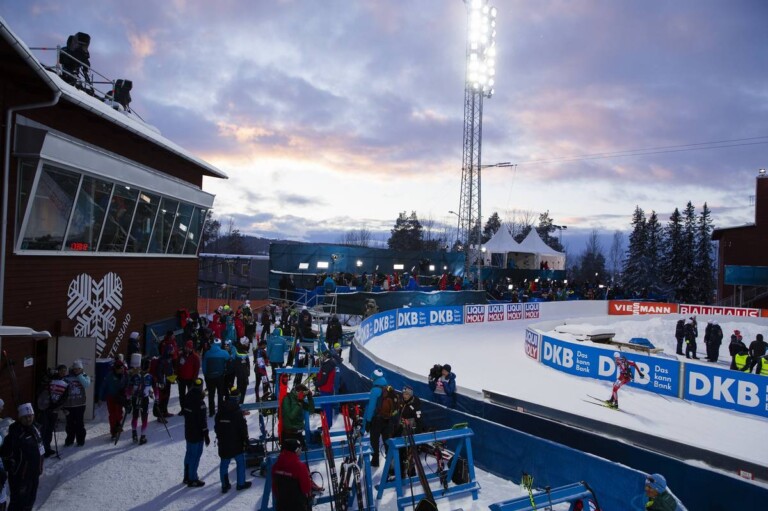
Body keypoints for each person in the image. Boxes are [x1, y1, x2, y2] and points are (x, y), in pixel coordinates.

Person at [0, 403, 44, 510]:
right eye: (25, 417)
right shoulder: (15, 433)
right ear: (20, 418)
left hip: (34, 473)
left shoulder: (36, 428)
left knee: (30, 500)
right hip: (21, 476)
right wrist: (12, 467)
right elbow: (4, 452)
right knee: (18, 503)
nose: (28, 419)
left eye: (30, 416)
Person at [214, 390, 251, 493]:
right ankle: (241, 483)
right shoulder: (237, 412)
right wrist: (246, 441)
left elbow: (217, 426)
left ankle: (224, 485)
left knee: (224, 463)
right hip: (236, 443)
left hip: (224, 442)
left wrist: (221, 437)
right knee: (240, 462)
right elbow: (243, 429)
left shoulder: (221, 410)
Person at [363, 369, 396, 467]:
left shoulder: (375, 390)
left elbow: (371, 407)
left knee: (374, 441)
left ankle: (375, 461)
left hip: (377, 420)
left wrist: (368, 421)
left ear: (374, 378)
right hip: (388, 419)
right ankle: (391, 464)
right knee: (387, 442)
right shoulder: (388, 387)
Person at [181, 378, 209, 488]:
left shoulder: (187, 397)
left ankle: (187, 476)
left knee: (189, 454)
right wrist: (206, 434)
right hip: (197, 433)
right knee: (195, 455)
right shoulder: (200, 403)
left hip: (188, 430)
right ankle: (192, 478)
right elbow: (203, 420)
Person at [271, 438, 312, 511]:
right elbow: (306, 489)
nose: (301, 451)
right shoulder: (300, 467)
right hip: (298, 506)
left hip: (281, 505)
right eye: (300, 449)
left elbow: (275, 489)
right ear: (296, 450)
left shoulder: (275, 466)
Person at [125, 354, 157, 445]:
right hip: (144, 399)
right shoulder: (150, 377)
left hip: (135, 398)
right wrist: (157, 398)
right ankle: (142, 437)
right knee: (144, 418)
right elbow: (156, 389)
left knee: (135, 416)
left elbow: (129, 389)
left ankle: (134, 433)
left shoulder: (135, 376)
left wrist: (128, 398)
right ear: (148, 367)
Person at [38, 364, 68, 458]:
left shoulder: (66, 383)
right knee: (44, 428)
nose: (63, 372)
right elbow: (43, 389)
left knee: (50, 429)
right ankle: (41, 450)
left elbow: (65, 397)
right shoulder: (51, 379)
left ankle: (47, 448)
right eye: (61, 370)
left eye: (64, 371)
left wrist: (57, 405)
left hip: (55, 409)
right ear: (58, 371)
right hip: (45, 408)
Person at [63, 360, 91, 447]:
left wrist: (79, 376)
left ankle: (80, 440)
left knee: (79, 423)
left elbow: (86, 385)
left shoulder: (85, 376)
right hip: (69, 404)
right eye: (75, 369)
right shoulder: (67, 377)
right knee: (69, 424)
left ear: (81, 369)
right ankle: (69, 439)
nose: (76, 370)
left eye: (78, 369)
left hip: (80, 404)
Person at [99, 359, 128, 442]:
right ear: (115, 368)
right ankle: (113, 432)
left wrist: (127, 394)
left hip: (120, 396)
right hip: (111, 397)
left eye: (122, 368)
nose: (121, 370)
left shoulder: (125, 375)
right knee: (112, 415)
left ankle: (118, 424)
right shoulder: (110, 375)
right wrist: (100, 398)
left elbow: (128, 384)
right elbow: (103, 386)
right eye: (119, 368)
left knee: (119, 413)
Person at [203, 339, 230, 417]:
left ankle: (212, 411)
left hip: (209, 377)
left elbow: (204, 366)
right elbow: (229, 360)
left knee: (211, 394)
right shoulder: (224, 353)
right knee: (220, 393)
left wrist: (206, 375)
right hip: (220, 376)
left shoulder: (207, 353)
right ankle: (220, 410)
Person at [176, 340, 201, 410]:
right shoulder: (181, 356)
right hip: (181, 378)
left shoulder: (195, 357)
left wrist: (194, 378)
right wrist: (177, 376)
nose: (187, 349)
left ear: (191, 348)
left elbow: (197, 368)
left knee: (191, 395)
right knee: (182, 395)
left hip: (191, 379)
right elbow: (177, 366)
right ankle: (183, 408)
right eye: (186, 347)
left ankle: (190, 408)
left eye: (189, 348)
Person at [315, 351, 338, 424]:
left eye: (323, 356)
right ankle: (327, 424)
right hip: (328, 388)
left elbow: (324, 380)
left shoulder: (327, 365)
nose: (322, 357)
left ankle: (327, 425)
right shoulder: (329, 364)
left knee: (326, 407)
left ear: (326, 356)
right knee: (327, 407)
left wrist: (317, 383)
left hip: (325, 389)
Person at [233, 337, 251, 404]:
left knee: (239, 390)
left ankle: (238, 404)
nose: (248, 345)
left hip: (239, 375)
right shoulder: (243, 354)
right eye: (247, 343)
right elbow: (246, 366)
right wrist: (247, 374)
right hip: (243, 376)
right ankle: (240, 405)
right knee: (242, 391)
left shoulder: (237, 351)